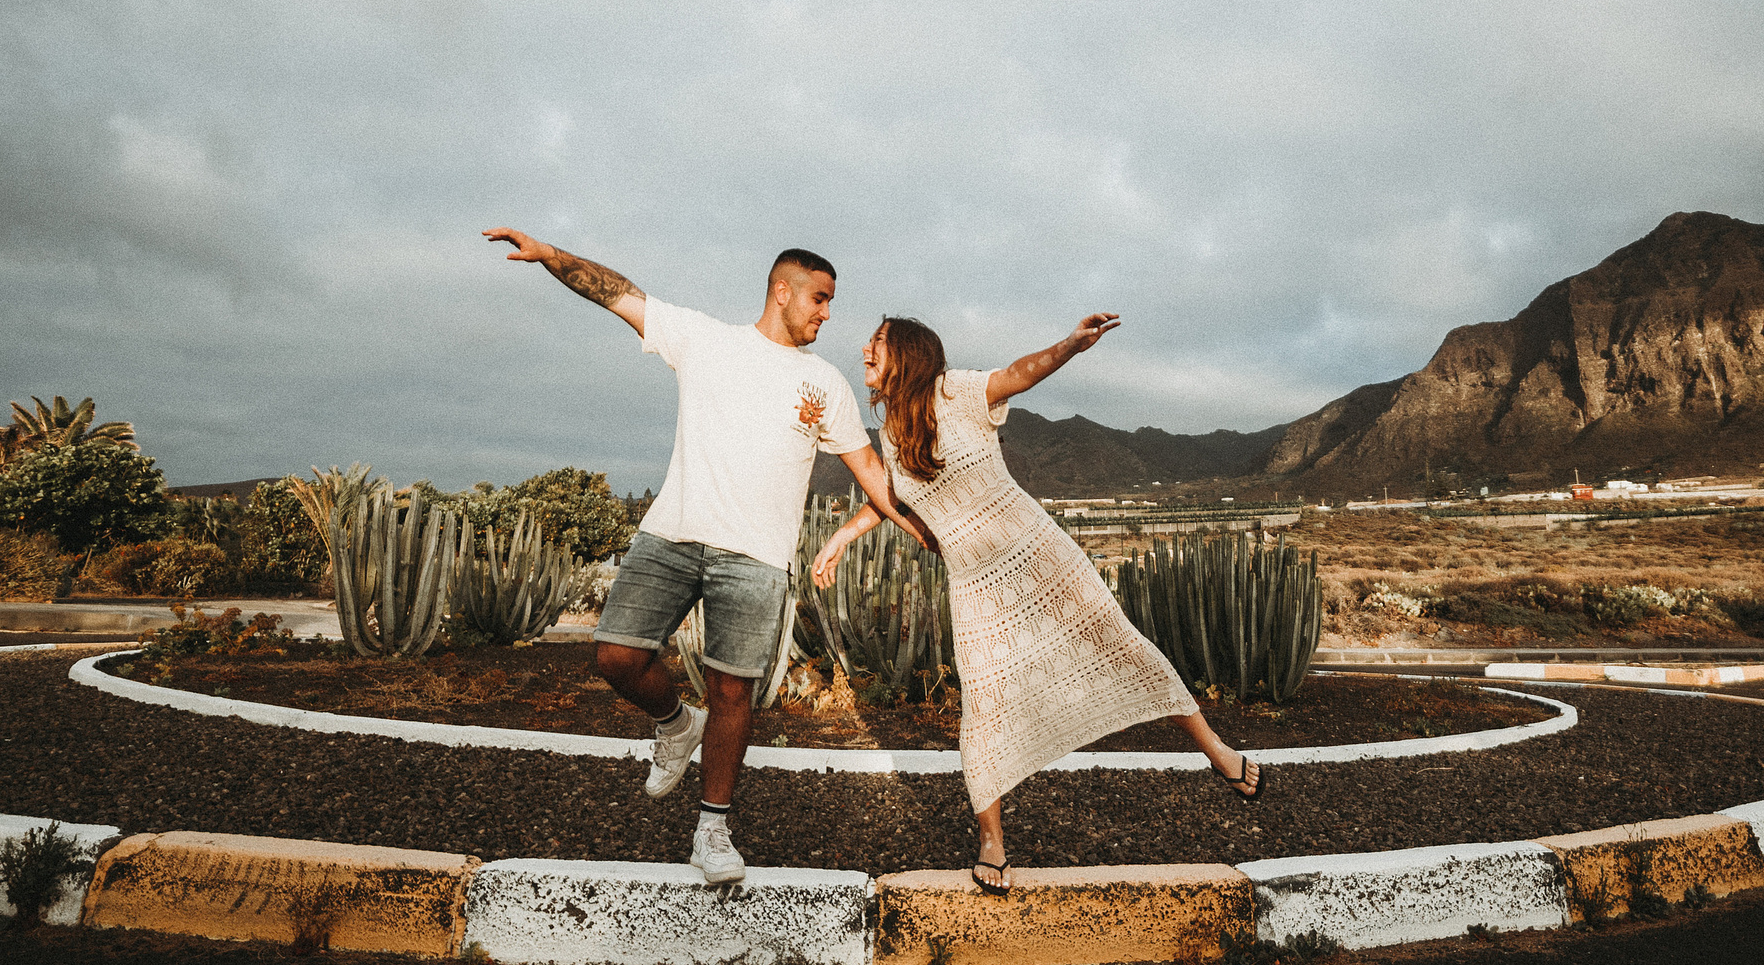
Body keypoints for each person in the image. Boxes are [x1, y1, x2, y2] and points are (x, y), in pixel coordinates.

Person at [483, 229, 930, 885]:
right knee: (617, 656)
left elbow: (868, 468)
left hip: (754, 559)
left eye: (830, 302)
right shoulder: (704, 339)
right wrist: (553, 256)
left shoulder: (823, 382)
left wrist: (923, 521)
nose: (827, 313)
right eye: (819, 297)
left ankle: (713, 829)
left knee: (732, 691)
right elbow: (619, 296)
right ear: (783, 291)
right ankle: (673, 722)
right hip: (672, 535)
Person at [812, 312, 1265, 894]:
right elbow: (886, 500)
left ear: (908, 353)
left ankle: (1220, 753)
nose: (864, 352)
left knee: (1122, 647)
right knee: (984, 703)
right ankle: (993, 844)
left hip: (1040, 556)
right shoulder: (892, 437)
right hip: (974, 583)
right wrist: (840, 540)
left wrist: (1071, 347)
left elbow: (1020, 373)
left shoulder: (958, 390)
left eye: (875, 343)